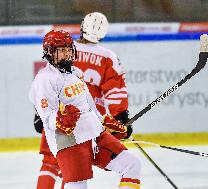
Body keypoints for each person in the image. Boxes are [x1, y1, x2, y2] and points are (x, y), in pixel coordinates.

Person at [33, 12, 134, 189]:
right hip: (87, 121)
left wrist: (38, 114)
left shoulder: (62, 51)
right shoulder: (107, 57)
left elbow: (46, 91)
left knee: (51, 163)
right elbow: (115, 90)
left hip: (62, 116)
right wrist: (120, 115)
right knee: (74, 169)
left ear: (82, 27)